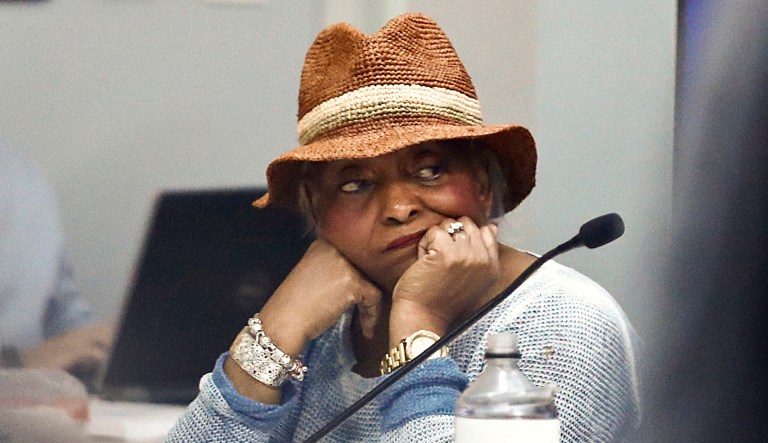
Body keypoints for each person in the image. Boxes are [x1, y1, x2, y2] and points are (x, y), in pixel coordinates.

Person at [167, 13, 639, 442]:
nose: (397, 208)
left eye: (429, 170)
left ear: (482, 183)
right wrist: (277, 328)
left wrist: (417, 323)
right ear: (318, 210)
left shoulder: (565, 324)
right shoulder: (325, 324)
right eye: (354, 183)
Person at [0, 140, 113, 386]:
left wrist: (100, 346)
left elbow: (59, 313)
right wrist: (16, 363)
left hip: (31, 406)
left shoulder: (21, 174)